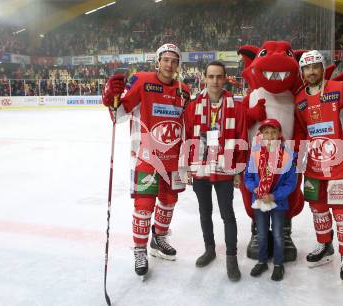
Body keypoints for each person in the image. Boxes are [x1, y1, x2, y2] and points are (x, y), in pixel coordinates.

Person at [102, 43, 190, 277]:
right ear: (158, 61)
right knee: (143, 206)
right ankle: (140, 249)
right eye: (166, 59)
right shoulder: (142, 81)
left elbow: (188, 126)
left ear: (178, 65)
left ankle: (158, 240)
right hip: (146, 158)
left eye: (174, 60)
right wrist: (110, 95)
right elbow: (118, 115)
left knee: (169, 202)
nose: (169, 64)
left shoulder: (185, 91)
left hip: (174, 160)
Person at [294, 50, 343, 283]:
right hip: (314, 167)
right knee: (318, 210)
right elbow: (301, 131)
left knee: (342, 215)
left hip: (340, 165)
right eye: (306, 68)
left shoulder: (339, 90)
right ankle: (324, 245)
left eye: (315, 67)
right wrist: (299, 158)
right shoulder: (299, 100)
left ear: (322, 68)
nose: (311, 72)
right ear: (302, 72)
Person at [183, 60, 247, 281]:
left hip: (224, 168)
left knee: (227, 214)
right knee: (204, 211)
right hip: (201, 168)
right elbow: (189, 137)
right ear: (204, 78)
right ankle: (209, 249)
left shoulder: (236, 107)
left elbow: (241, 137)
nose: (215, 81)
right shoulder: (192, 107)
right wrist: (189, 167)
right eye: (211, 76)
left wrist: (238, 169)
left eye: (219, 76)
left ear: (225, 79)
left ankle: (231, 258)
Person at [244, 119, 297, 281]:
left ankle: (279, 264)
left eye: (273, 132)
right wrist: (254, 188)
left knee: (278, 235)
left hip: (278, 203)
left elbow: (291, 183)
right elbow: (248, 177)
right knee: (261, 234)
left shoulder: (287, 156)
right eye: (266, 132)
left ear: (279, 135)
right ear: (261, 135)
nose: (270, 136)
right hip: (260, 201)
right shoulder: (255, 153)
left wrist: (274, 196)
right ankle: (262, 261)